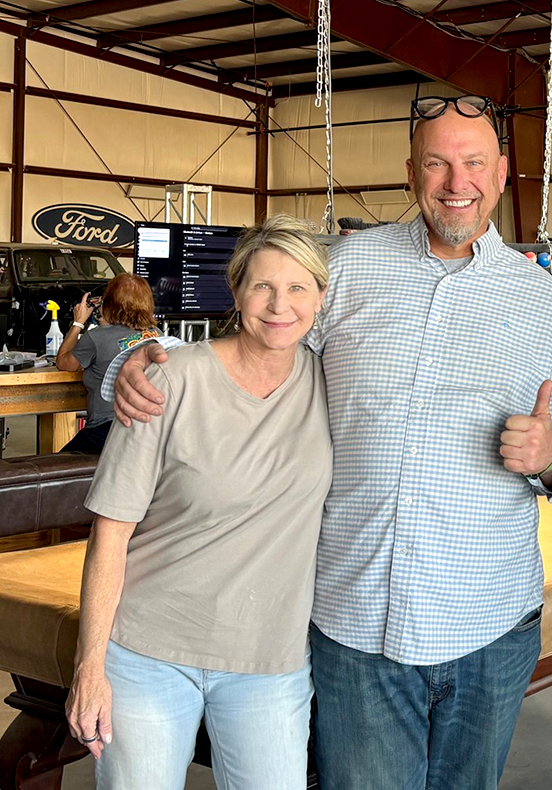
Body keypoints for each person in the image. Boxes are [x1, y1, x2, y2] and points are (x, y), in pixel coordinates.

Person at [108, 96, 552, 790]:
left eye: (474, 162)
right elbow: (261, 348)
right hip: (355, 625)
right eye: (437, 162)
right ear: (410, 172)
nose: (457, 180)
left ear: (504, 172)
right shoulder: (349, 270)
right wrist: (154, 361)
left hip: (487, 625)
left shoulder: (541, 301)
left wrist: (548, 458)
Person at [64, 215, 331, 789]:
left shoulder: (335, 384)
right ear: (235, 292)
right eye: (262, 285)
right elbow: (110, 532)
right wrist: (90, 667)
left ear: (320, 297)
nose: (279, 303)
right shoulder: (170, 379)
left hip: (269, 664)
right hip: (148, 653)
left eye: (297, 287)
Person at [54, 274, 159, 454]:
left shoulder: (96, 338)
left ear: (107, 304)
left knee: (57, 468)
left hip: (105, 432)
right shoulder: (156, 334)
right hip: (146, 430)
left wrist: (78, 322)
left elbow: (63, 363)